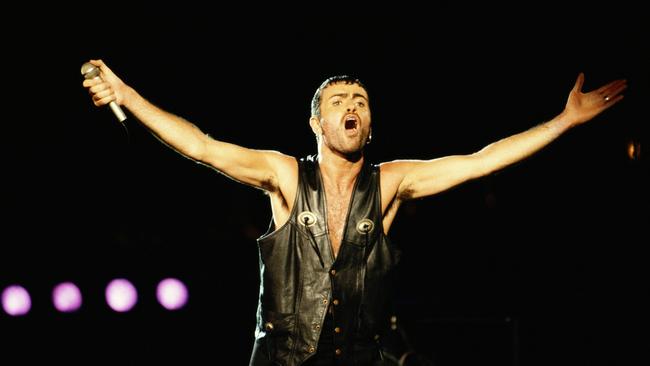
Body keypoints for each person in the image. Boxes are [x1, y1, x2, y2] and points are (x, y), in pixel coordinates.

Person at [82, 59, 626, 366]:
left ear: (370, 126)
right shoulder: (286, 175)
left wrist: (562, 122)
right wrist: (127, 94)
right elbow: (201, 146)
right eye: (339, 101)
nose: (352, 106)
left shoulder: (392, 182)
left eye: (361, 102)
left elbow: (481, 162)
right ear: (317, 124)